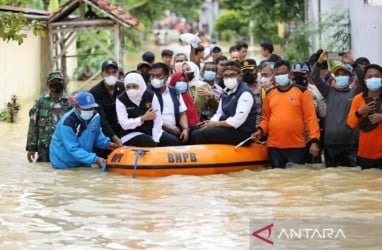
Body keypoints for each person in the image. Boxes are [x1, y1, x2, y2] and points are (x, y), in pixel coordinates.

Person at [252, 60, 320, 168]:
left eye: (283, 73)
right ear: (274, 75)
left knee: (295, 180)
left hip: (297, 147)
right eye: (278, 74)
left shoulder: (303, 92)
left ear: (290, 74)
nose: (280, 76)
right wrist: (260, 130)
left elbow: (311, 118)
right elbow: (266, 119)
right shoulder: (269, 94)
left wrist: (314, 141)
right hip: (274, 147)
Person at [190, 61, 257, 145]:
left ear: (239, 76)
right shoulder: (225, 92)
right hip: (226, 127)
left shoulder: (245, 93)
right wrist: (210, 123)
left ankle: (202, 157)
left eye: (232, 75)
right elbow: (219, 113)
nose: (229, 78)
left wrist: (216, 124)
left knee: (202, 134)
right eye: (226, 76)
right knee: (193, 129)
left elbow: (237, 121)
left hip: (241, 132)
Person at [49, 92, 119, 169]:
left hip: (83, 161)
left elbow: (97, 135)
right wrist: (95, 159)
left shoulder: (95, 117)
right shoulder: (67, 123)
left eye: (92, 108)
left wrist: (108, 144)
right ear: (76, 106)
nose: (89, 111)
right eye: (85, 109)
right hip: (63, 164)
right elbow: (73, 149)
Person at [312, 51, 358, 167]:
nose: (341, 76)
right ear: (334, 77)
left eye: (344, 74)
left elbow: (363, 81)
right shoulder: (329, 92)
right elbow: (315, 78)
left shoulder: (356, 93)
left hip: (350, 144)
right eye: (338, 74)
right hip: (331, 144)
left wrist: (353, 63)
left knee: (351, 177)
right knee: (332, 176)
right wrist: (319, 62)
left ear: (351, 78)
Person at [26, 71, 72, 162]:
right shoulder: (40, 101)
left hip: (64, 146)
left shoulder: (70, 101)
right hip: (44, 148)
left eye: (59, 81)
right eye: (53, 81)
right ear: (48, 84)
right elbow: (33, 125)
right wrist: (31, 148)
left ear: (63, 83)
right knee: (45, 172)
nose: (57, 84)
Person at [347, 64, 382, 169]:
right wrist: (359, 112)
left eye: (377, 76)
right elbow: (350, 124)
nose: (373, 79)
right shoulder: (358, 99)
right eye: (369, 76)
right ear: (364, 80)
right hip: (364, 154)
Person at [116, 72, 163, 147]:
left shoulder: (151, 95)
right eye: (128, 87)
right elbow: (124, 124)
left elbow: (158, 120)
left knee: (172, 141)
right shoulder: (121, 100)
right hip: (130, 134)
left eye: (134, 86)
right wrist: (142, 118)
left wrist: (156, 139)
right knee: (148, 142)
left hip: (150, 130)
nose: (131, 89)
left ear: (141, 85)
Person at [89, 60, 124, 158]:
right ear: (102, 74)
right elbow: (101, 119)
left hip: (123, 131)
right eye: (108, 72)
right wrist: (115, 139)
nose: (111, 75)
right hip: (103, 136)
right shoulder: (95, 92)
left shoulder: (124, 87)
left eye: (114, 72)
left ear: (118, 73)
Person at [149, 62, 189, 145]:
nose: (154, 79)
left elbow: (182, 113)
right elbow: (148, 117)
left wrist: (185, 129)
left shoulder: (175, 92)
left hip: (176, 127)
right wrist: (167, 126)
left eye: (158, 76)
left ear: (167, 76)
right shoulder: (147, 93)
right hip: (157, 129)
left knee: (197, 134)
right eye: (152, 76)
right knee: (173, 141)